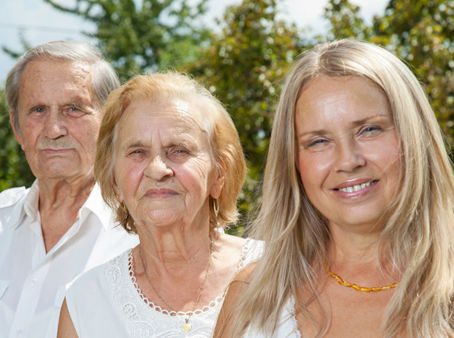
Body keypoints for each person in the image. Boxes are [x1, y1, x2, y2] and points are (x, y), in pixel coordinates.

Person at [214, 39, 454, 337]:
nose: (348, 161)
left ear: (414, 136)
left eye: (369, 129)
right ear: (294, 163)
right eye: (319, 141)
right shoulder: (253, 300)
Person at [56, 72, 263, 337]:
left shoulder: (280, 272)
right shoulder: (85, 302)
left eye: (179, 150)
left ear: (219, 175)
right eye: (137, 152)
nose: (157, 169)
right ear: (114, 180)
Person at [0, 41, 138, 338]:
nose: (53, 129)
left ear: (110, 124)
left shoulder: (140, 236)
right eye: (37, 110)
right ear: (17, 128)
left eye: (73, 109)